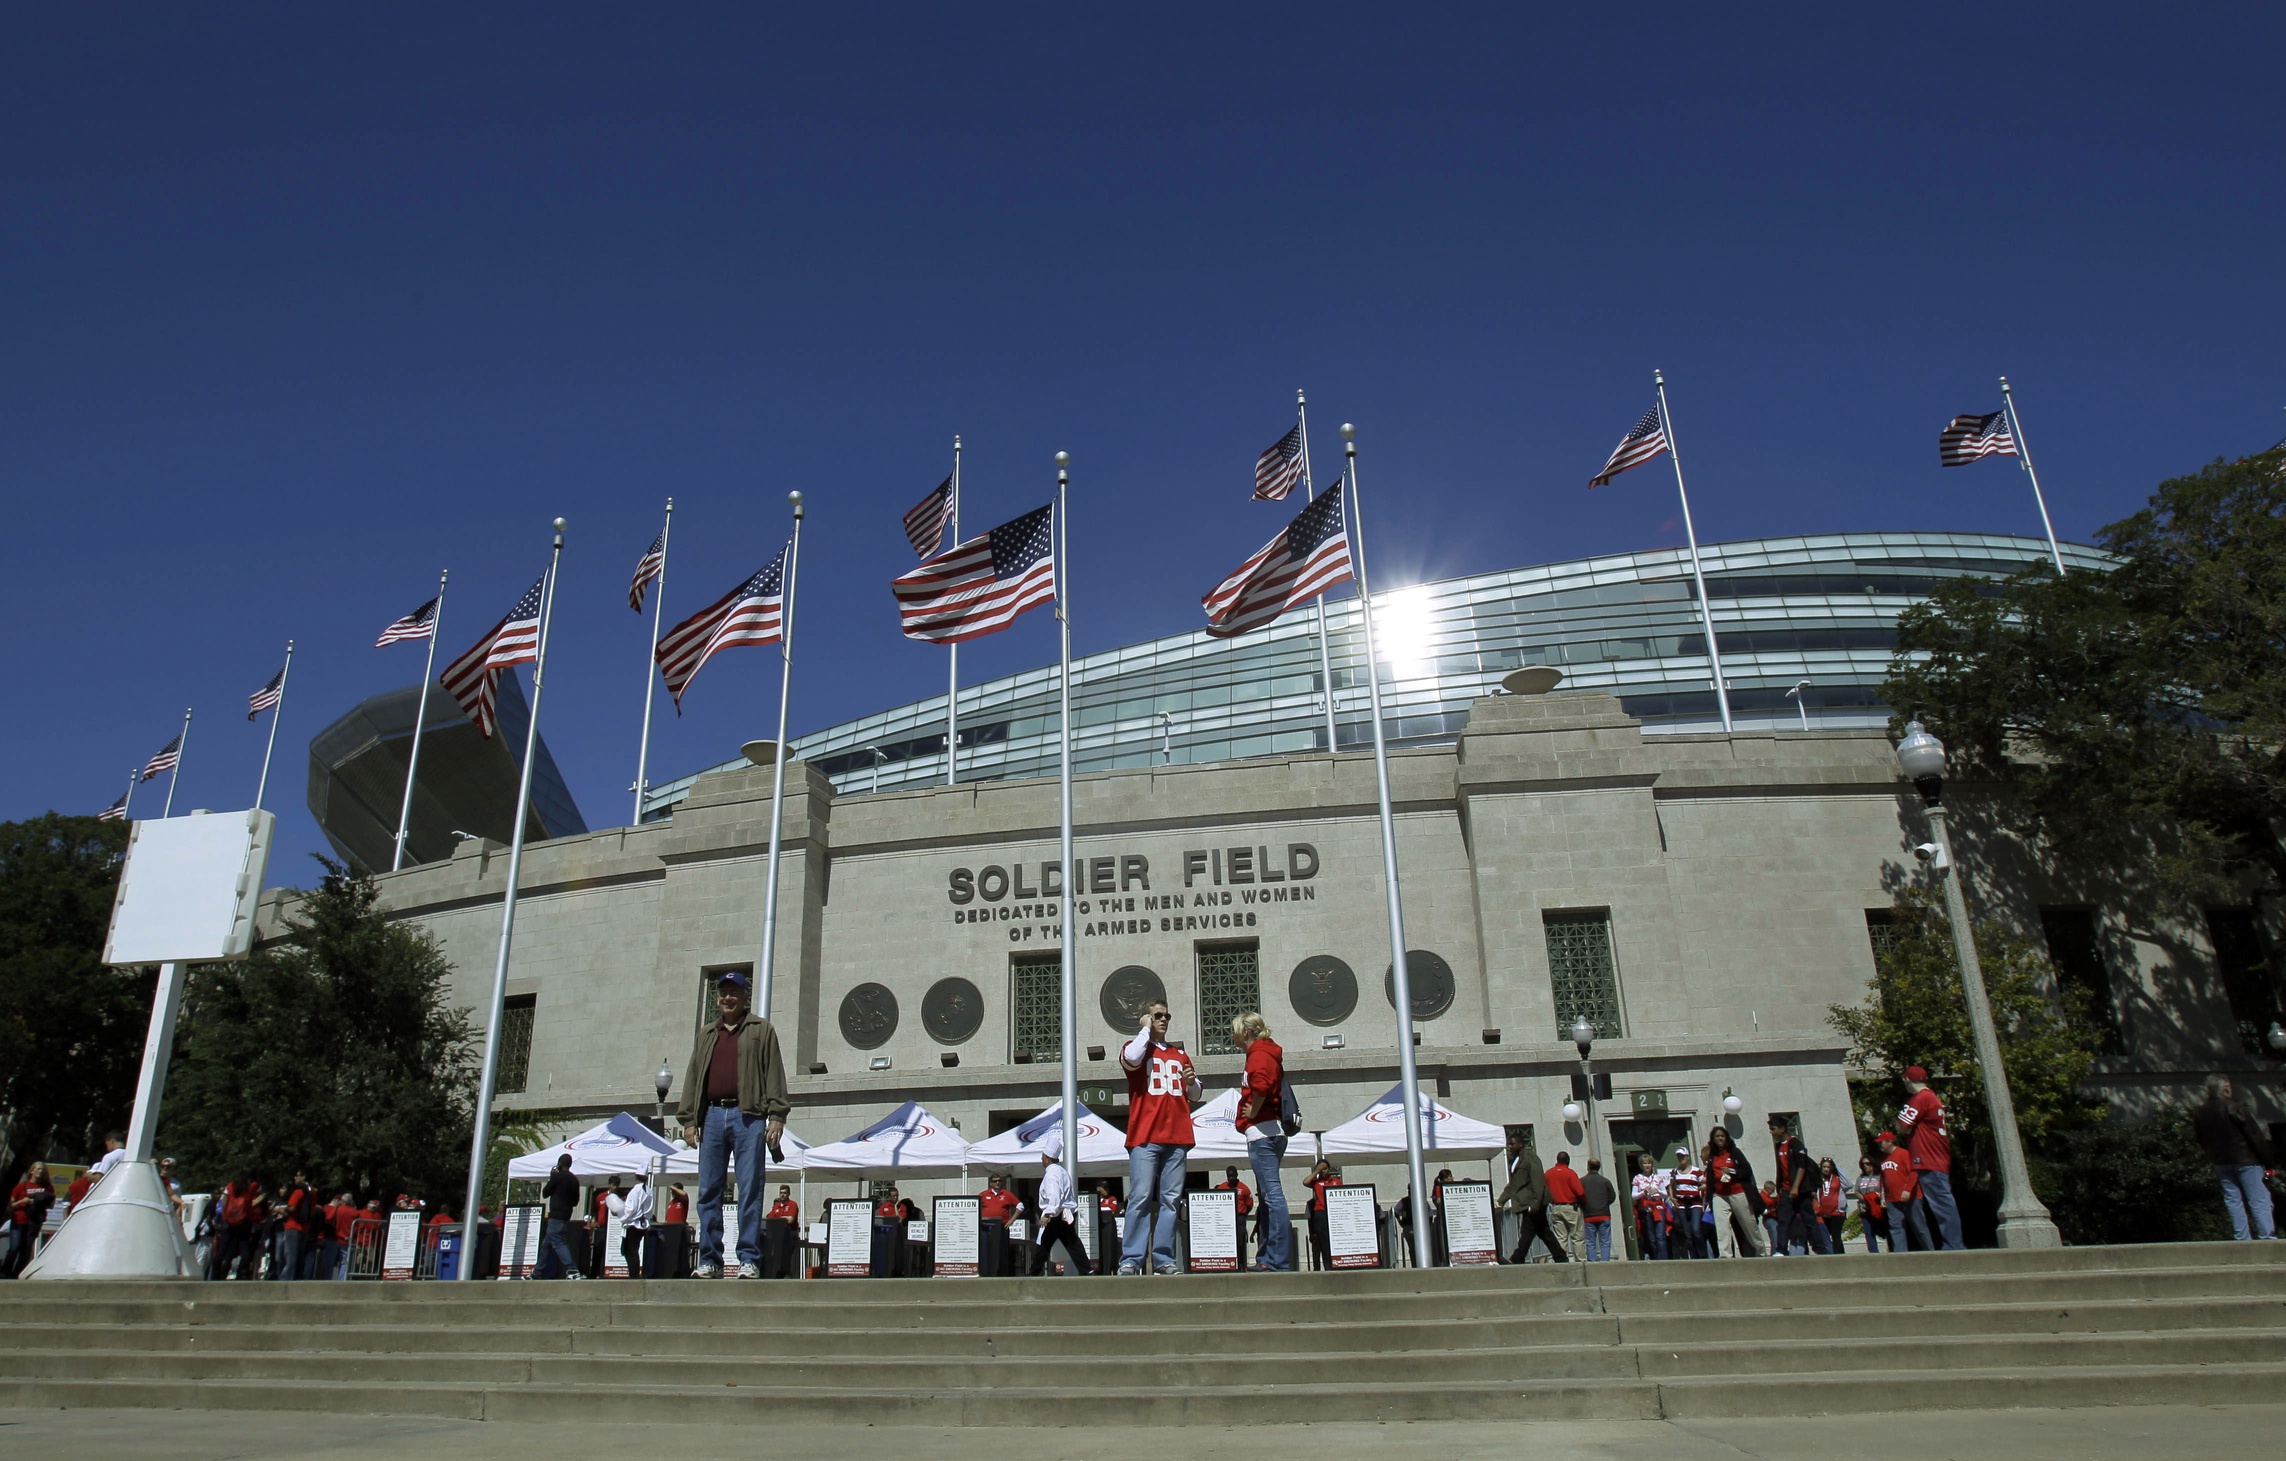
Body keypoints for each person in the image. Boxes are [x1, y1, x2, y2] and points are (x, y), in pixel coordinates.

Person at [675, 968, 791, 1281]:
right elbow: (693, 1075)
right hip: (712, 1116)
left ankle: (748, 1258)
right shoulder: (707, 1034)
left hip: (749, 1116)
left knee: (750, 1190)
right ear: (717, 998)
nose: (728, 998)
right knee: (708, 1191)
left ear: (744, 997)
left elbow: (774, 1073)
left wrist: (777, 1115)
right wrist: (689, 1119)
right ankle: (710, 1259)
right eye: (723, 993)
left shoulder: (760, 1030)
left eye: (734, 993)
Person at [1117, 999, 1200, 1276]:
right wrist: (1144, 1029)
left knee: (1171, 1200)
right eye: (1157, 1016)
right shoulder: (1137, 1047)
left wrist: (1191, 1082)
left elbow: (1195, 1093)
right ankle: (1131, 1259)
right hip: (1145, 1134)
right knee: (1140, 1196)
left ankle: (1164, 1258)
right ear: (1147, 1019)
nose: (1163, 1020)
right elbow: (1131, 1059)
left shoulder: (1179, 1054)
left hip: (1177, 1135)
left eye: (1166, 1015)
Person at [1230, 1011, 1293, 1272]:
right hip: (1270, 1131)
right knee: (1267, 1196)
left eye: (1233, 1030)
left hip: (1262, 1132)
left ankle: (1277, 1259)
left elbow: (1261, 1085)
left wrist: (1253, 1111)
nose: (1231, 1035)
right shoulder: (1266, 1053)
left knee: (1273, 1196)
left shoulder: (1259, 1055)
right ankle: (1268, 1258)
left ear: (1245, 1032)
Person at [2192, 1075, 2277, 1241]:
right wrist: (2269, 1162)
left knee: (2233, 1200)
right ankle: (2267, 1236)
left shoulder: (2200, 1112)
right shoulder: (2235, 1108)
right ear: (2225, 1089)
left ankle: (2242, 1237)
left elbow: (2201, 1139)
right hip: (2246, 1160)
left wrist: (2212, 1156)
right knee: (2258, 1199)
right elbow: (2255, 1137)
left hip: (2221, 1162)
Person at [1896, 1066, 1962, 1250]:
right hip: (1934, 1157)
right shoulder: (1931, 1097)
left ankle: (1954, 1245)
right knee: (1941, 1202)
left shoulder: (1920, 1098)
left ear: (1907, 1080)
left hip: (1928, 1158)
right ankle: (1952, 1244)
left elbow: (1902, 1126)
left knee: (1942, 1204)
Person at [1496, 1133, 1563, 1263]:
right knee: (1543, 1232)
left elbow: (1538, 1182)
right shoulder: (1517, 1160)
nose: (1509, 1147)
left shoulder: (1531, 1158)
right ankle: (1561, 1257)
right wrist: (1501, 1201)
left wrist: (1535, 1203)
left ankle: (1517, 1258)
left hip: (1533, 1203)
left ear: (1520, 1144)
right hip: (1527, 1202)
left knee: (1527, 1231)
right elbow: (1514, 1184)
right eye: (1508, 1144)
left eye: (1512, 1144)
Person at [1030, 1132, 1090, 1277]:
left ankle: (1034, 1272)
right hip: (1065, 1213)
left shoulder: (1051, 1175)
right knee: (1072, 1242)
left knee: (1044, 1244)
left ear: (1047, 1159)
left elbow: (1055, 1196)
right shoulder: (1062, 1171)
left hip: (1056, 1215)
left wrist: (1048, 1214)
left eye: (1043, 1156)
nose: (1041, 1159)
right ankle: (1087, 1269)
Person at [1767, 1116, 1829, 1255]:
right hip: (1786, 1190)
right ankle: (1781, 1249)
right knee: (1783, 1221)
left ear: (1782, 1129)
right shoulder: (1778, 1146)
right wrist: (1781, 1187)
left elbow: (1802, 1166)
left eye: (1773, 1129)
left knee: (1809, 1221)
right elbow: (1781, 1168)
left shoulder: (1795, 1144)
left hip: (1801, 1191)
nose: (1771, 1132)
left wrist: (1795, 1187)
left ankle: (1820, 1249)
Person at [1704, 1127, 1768, 1257]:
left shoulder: (1734, 1152)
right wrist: (1709, 1197)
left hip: (1737, 1192)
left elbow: (1746, 1170)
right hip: (1719, 1195)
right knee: (1721, 1227)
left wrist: (1732, 1172)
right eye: (1717, 1136)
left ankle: (1761, 1251)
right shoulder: (1712, 1156)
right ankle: (1725, 1255)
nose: (1720, 1139)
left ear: (1726, 1138)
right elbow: (1710, 1177)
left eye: (1722, 1136)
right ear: (1713, 1139)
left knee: (1748, 1224)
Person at [1875, 1131, 1929, 1252]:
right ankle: (1900, 1254)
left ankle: (1930, 1251)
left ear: (1890, 1142)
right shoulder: (1883, 1159)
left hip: (1912, 1198)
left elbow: (1913, 1173)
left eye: (1881, 1143)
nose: (1879, 1146)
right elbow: (1883, 1179)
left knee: (1919, 1227)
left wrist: (1908, 1190)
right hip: (1892, 1199)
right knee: (1896, 1227)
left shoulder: (1904, 1154)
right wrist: (1883, 1197)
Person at [5, 1163, 56, 1279]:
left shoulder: (48, 1187)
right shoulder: (22, 1186)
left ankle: (17, 1273)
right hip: (19, 1220)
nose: (40, 1171)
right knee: (15, 1246)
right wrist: (22, 1201)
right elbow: (11, 1205)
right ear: (32, 1171)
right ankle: (5, 1271)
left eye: (42, 1169)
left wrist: (37, 1202)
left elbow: (51, 1205)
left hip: (34, 1221)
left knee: (26, 1249)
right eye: (38, 1169)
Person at [540, 1153, 582, 1280]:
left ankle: (572, 1269)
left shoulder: (557, 1177)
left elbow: (545, 1193)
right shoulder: (574, 1179)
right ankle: (537, 1272)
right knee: (546, 1244)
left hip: (556, 1214)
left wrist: (551, 1177)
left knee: (558, 1242)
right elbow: (575, 1201)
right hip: (566, 1214)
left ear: (559, 1163)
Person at [1666, 1146, 1710, 1259]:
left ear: (1688, 1157)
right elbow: (1671, 1185)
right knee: (1687, 1233)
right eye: (1679, 1156)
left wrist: (1697, 1190)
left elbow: (1705, 1185)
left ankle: (1702, 1255)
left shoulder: (1696, 1171)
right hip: (1681, 1203)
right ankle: (1694, 1256)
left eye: (1683, 1156)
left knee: (1695, 1229)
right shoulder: (1675, 1171)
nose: (1681, 1158)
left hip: (1695, 1202)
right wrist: (1671, 1197)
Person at [1543, 1152, 1586, 1262]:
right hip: (1570, 1207)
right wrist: (1584, 1202)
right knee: (1577, 1237)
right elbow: (1580, 1192)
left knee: (1560, 1237)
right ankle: (1581, 1262)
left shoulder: (1548, 1174)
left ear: (1557, 1160)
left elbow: (1545, 1190)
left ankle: (1561, 1261)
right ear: (1568, 1160)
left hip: (1555, 1207)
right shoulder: (1570, 1173)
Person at [275, 1172, 316, 1281]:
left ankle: (286, 1278)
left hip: (293, 1225)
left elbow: (292, 1208)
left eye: (297, 1175)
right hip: (305, 1226)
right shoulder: (313, 1192)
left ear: (303, 1177)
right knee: (300, 1254)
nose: (295, 1177)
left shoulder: (298, 1191)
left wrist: (283, 1209)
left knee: (290, 1254)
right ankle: (297, 1277)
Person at [1627, 1152, 1669, 1260]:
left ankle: (1663, 1259)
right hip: (1646, 1210)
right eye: (1645, 1163)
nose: (1647, 1165)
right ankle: (1655, 1258)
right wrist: (1643, 1193)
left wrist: (1658, 1191)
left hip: (1658, 1209)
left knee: (1660, 1236)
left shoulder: (1658, 1177)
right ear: (1641, 1165)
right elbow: (1633, 1196)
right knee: (1651, 1238)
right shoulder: (1637, 1178)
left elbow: (1665, 1194)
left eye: (1649, 1163)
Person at [977, 1173, 1021, 1277]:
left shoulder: (1006, 1194)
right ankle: (986, 1272)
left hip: (1002, 1226)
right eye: (995, 1181)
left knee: (1002, 1251)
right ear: (991, 1183)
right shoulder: (983, 1194)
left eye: (999, 1181)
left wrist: (1012, 1220)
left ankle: (1002, 1273)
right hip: (986, 1227)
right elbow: (975, 1207)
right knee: (986, 1250)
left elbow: (1020, 1206)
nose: (997, 1183)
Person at [1214, 1165, 1254, 1270]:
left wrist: (1243, 1214)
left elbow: (1249, 1205)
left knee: (1240, 1241)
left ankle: (1242, 1265)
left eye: (1233, 1176)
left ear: (1237, 1175)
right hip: (1226, 1219)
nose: (1231, 1179)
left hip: (1239, 1218)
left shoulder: (1244, 1188)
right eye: (1229, 1177)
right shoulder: (1222, 1188)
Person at [618, 1172, 656, 1278]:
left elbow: (632, 1208)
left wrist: (623, 1218)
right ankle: (634, 1273)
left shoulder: (635, 1190)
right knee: (633, 1249)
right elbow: (649, 1209)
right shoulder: (649, 1191)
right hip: (643, 1223)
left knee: (630, 1250)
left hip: (634, 1223)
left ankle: (633, 1274)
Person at [1579, 1156, 1617, 1261]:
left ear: (1588, 1167)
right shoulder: (1605, 1181)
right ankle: (1605, 1261)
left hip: (1589, 1215)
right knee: (1605, 1241)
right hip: (1604, 1214)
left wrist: (1584, 1206)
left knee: (1590, 1241)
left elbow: (1578, 1196)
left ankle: (1592, 1262)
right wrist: (1604, 1204)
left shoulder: (1582, 1181)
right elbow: (1612, 1197)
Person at [1306, 1159, 1340, 1270]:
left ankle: (1334, 1264)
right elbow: (1305, 1182)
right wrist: (1317, 1171)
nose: (1323, 1171)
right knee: (1322, 1242)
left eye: (1325, 1168)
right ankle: (1326, 1267)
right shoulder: (1316, 1182)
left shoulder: (1336, 1181)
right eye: (1321, 1169)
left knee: (1332, 1241)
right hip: (1320, 1213)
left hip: (1333, 1213)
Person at [1813, 1157, 1849, 1254]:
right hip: (1824, 1213)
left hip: (1837, 1211)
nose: (1826, 1169)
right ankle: (1839, 1253)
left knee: (1836, 1235)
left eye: (1828, 1167)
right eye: (1824, 1167)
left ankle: (1838, 1256)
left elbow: (1849, 1184)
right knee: (1831, 1235)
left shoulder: (1838, 1179)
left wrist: (1836, 1166)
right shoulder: (1819, 1179)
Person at [1854, 1158, 1890, 1252]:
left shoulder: (1879, 1176)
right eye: (1863, 1164)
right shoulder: (1860, 1178)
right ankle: (1874, 1253)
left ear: (1873, 1164)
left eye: (1867, 1163)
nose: (1865, 1166)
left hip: (1878, 1207)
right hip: (1865, 1208)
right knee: (1869, 1232)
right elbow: (1856, 1191)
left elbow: (1884, 1189)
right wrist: (1866, 1199)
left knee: (1884, 1230)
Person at [765, 1185, 800, 1279]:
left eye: (784, 1193)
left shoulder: (792, 1204)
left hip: (790, 1234)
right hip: (778, 1235)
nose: (782, 1195)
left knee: (788, 1256)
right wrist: (783, 1218)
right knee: (778, 1256)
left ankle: (788, 1273)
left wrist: (780, 1218)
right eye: (781, 1193)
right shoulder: (776, 1206)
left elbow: (790, 1220)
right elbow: (770, 1218)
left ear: (788, 1194)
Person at [871, 1185, 905, 1278]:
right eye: (893, 1196)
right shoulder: (884, 1206)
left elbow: (900, 1219)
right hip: (885, 1235)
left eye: (897, 1196)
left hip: (897, 1234)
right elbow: (880, 1219)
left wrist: (895, 1208)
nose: (895, 1198)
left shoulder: (902, 1207)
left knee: (896, 1254)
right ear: (889, 1197)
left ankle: (896, 1271)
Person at [1094, 1187, 1121, 1275]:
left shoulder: (1112, 1199)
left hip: (1108, 1226)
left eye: (1107, 1188)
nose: (1106, 1190)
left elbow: (1112, 1209)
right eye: (1104, 1188)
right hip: (1096, 1227)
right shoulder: (1095, 1199)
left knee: (1109, 1248)